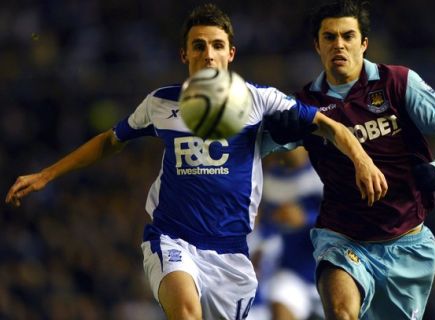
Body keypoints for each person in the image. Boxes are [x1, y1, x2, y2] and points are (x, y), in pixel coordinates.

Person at [5, 3, 387, 320]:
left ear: (230, 53)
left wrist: (363, 161)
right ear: (184, 54)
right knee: (187, 312)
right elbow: (111, 140)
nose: (208, 54)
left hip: (231, 253)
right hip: (171, 237)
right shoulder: (161, 103)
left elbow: (327, 125)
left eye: (217, 45)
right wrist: (46, 174)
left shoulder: (258, 100)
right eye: (199, 45)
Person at [264, 0, 435, 319]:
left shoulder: (398, 82)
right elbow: (260, 147)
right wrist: (274, 132)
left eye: (348, 36)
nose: (339, 45)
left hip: (407, 242)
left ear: (363, 43)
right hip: (343, 238)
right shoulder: (307, 104)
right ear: (317, 45)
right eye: (329, 37)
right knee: (342, 312)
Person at [253, 147, 325, 320]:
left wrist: (306, 217)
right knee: (280, 301)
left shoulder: (326, 172)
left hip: (333, 268)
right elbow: (264, 225)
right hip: (294, 273)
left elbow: (346, 218)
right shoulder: (269, 178)